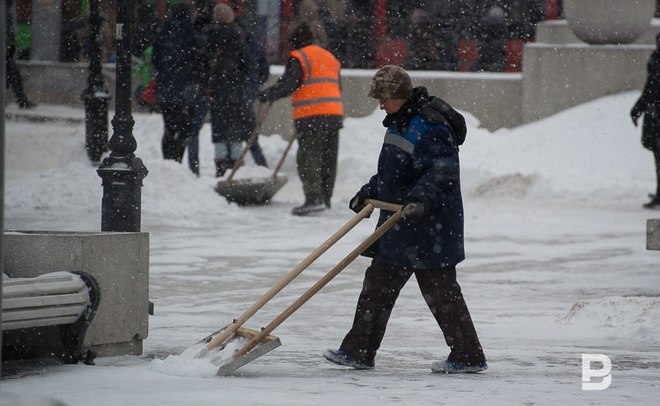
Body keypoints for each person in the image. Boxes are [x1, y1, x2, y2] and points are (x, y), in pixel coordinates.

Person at [323, 65, 488, 374]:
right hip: (399, 225)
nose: (380, 105)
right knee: (377, 287)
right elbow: (393, 172)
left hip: (429, 227)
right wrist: (369, 192)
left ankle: (468, 356)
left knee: (441, 293)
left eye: (384, 98)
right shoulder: (399, 123)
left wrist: (419, 200)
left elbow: (442, 172)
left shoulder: (429, 126)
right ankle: (358, 352)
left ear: (399, 95)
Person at [258, 22, 344, 216]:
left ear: (295, 42)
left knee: (309, 158)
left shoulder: (300, 57)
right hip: (333, 113)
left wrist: (268, 94)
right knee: (328, 159)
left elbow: (289, 84)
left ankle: (314, 200)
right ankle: (325, 198)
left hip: (312, 114)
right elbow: (336, 86)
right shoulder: (330, 57)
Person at [205, 3, 255, 177]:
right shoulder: (237, 37)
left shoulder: (208, 36)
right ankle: (234, 167)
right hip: (235, 92)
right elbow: (248, 65)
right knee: (234, 132)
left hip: (217, 92)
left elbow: (202, 64)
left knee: (219, 132)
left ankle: (220, 168)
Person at [152, 2, 197, 164]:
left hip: (166, 87)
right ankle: (177, 159)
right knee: (184, 128)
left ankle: (167, 160)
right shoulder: (191, 32)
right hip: (186, 89)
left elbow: (155, 58)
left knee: (169, 127)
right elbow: (197, 58)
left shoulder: (164, 31)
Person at [631, 32, 660, 209]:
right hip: (654, 114)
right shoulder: (655, 59)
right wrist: (638, 108)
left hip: (656, 113)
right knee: (657, 156)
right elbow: (650, 87)